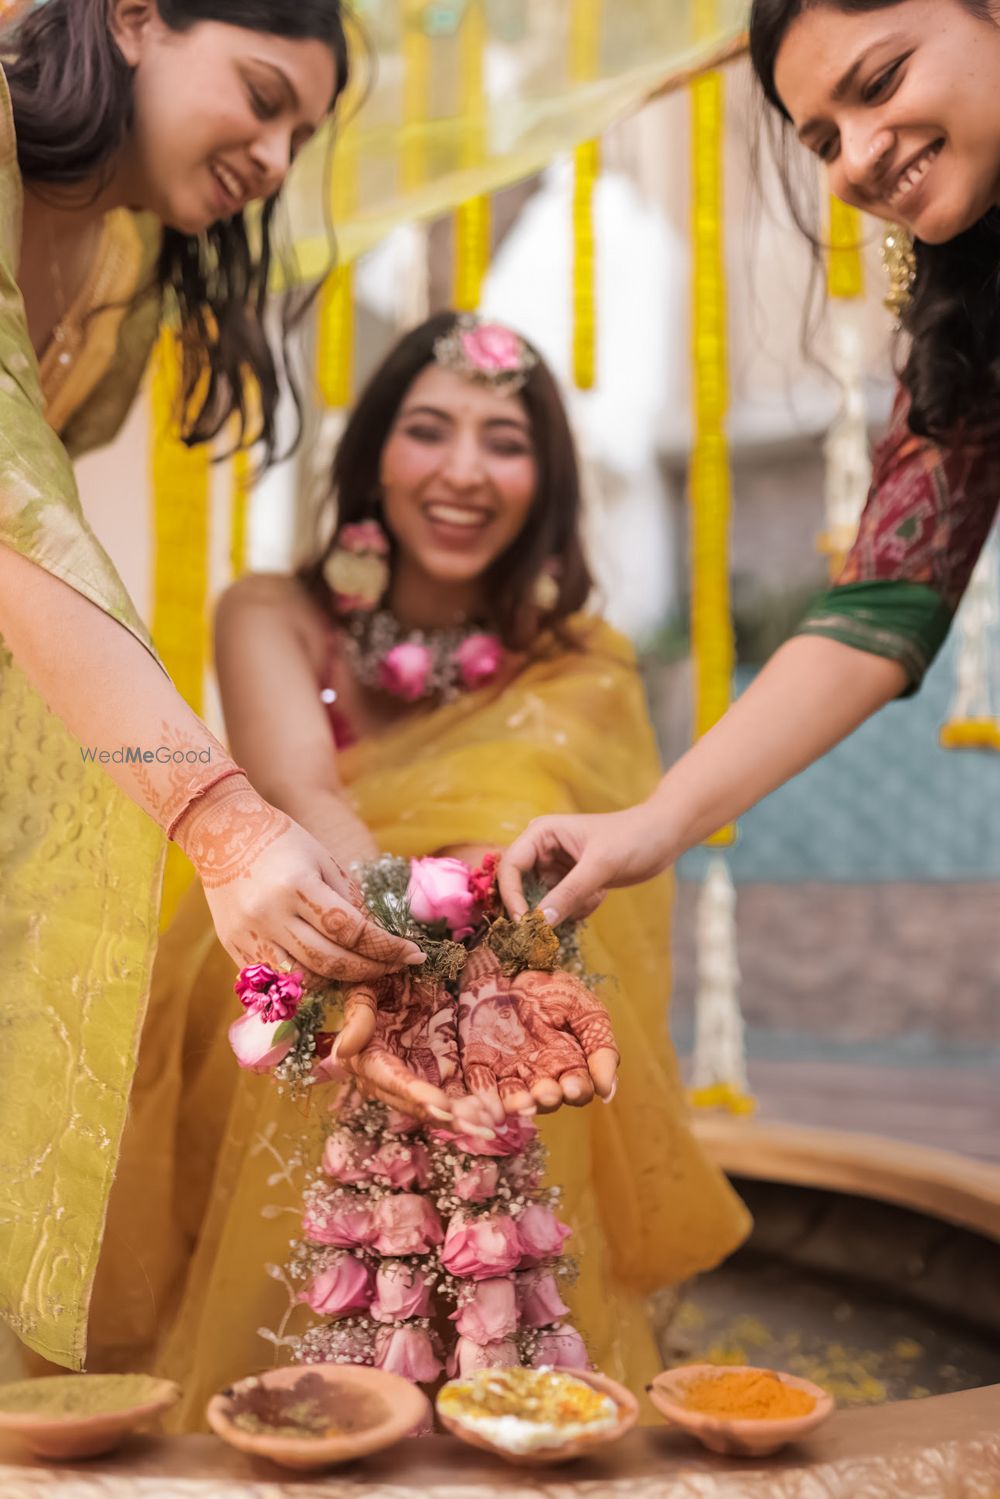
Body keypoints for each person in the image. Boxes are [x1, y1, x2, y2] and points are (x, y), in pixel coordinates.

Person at [86, 312, 750, 1427]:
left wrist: (478, 955)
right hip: (319, 924)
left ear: (543, 478)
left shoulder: (580, 657)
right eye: (428, 429)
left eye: (503, 440)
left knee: (532, 1015)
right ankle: (308, 1401)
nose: (461, 470)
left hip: (509, 954)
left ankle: (520, 1386)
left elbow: (577, 868)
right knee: (321, 1017)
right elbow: (305, 791)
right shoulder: (272, 611)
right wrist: (408, 940)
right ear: (372, 456)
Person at [0, 0, 424, 1375]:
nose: (275, 155)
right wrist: (218, 817)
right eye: (258, 94)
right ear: (133, 20)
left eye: (300, 129)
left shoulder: (131, 250)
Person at [498, 0, 1000, 924]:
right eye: (821, 141)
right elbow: (883, 599)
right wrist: (653, 822)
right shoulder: (976, 333)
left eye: (881, 81)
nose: (856, 158)